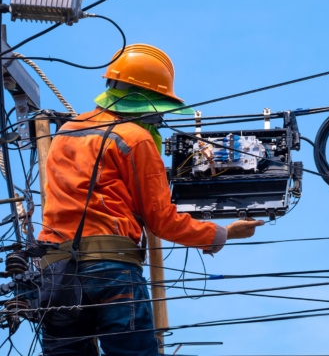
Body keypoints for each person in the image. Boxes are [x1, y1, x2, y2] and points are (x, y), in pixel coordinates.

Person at [38, 44, 264, 356]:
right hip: (111, 269)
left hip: (56, 271)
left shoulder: (64, 133)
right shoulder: (135, 138)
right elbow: (162, 220)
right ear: (147, 99)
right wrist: (223, 233)